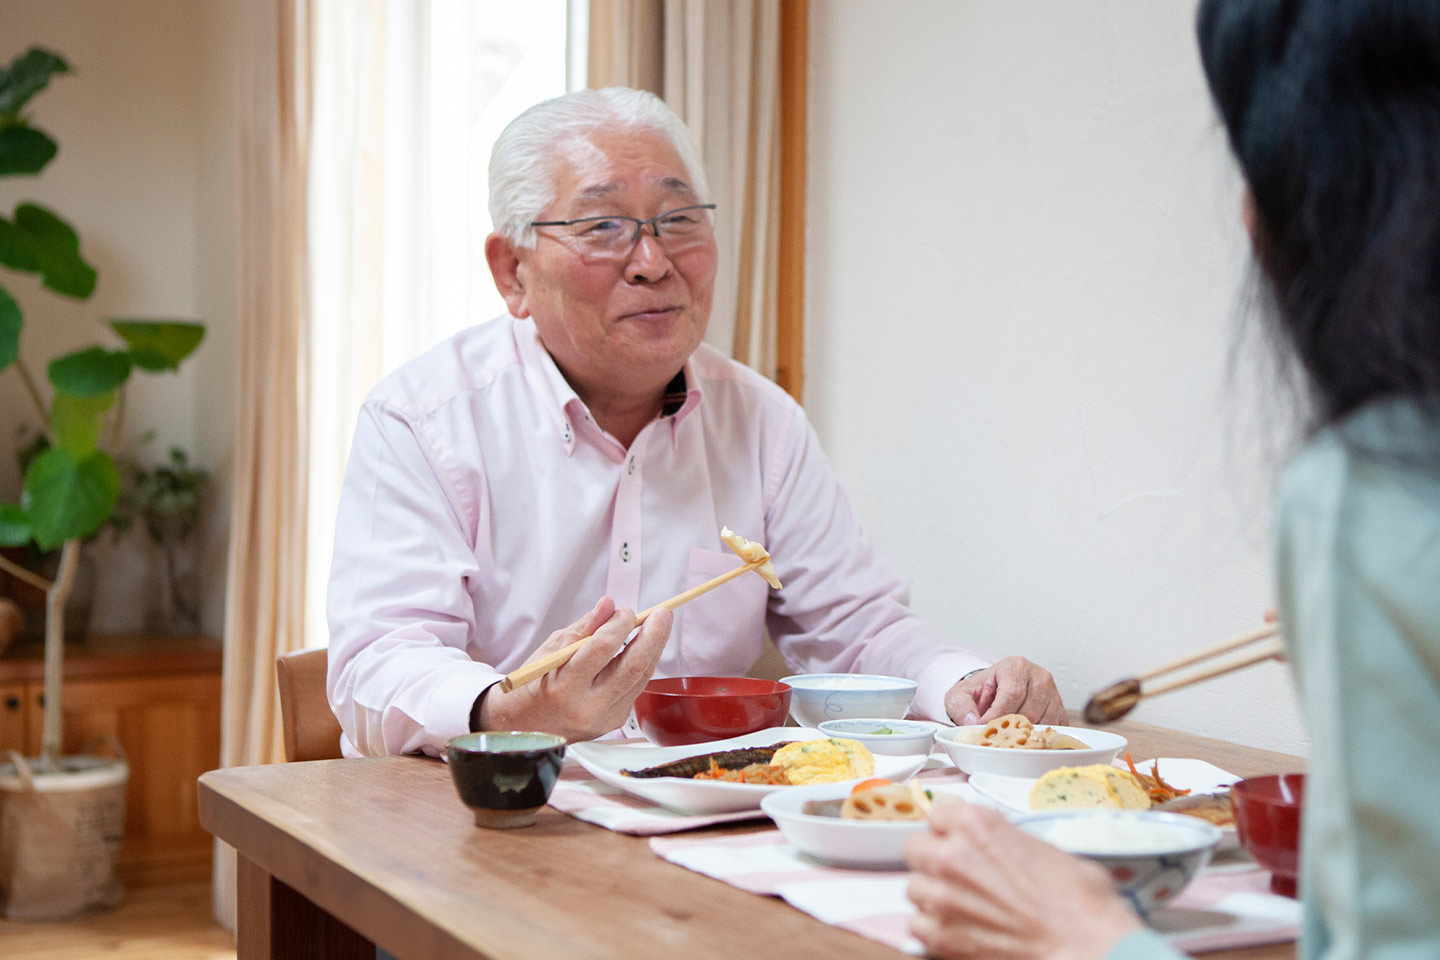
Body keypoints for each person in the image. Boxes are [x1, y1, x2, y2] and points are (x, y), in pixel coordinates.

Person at [903, 2, 1440, 958]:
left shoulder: (1374, 487)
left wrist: (1080, 934)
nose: (652, 262)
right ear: (528, 273)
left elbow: (862, 614)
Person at [326, 86, 1064, 758]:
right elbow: (382, 658)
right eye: (603, 226)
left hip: (694, 809)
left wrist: (965, 683)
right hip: (480, 813)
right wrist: (508, 709)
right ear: (512, 272)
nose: (652, 261)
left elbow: (858, 628)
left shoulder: (763, 422)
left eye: (678, 220)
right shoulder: (424, 421)